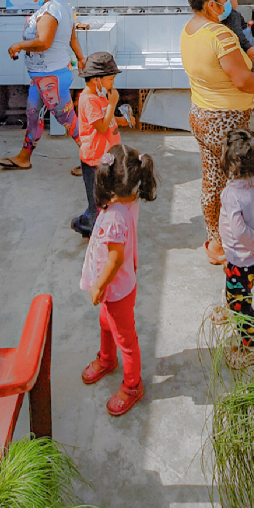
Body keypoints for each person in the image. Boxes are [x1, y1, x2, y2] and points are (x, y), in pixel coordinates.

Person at [181, 0, 254, 264]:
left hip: (201, 115)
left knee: (212, 180)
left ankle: (216, 241)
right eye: (226, 0)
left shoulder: (189, 30)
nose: (229, 5)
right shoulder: (220, 36)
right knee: (249, 184)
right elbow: (242, 80)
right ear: (212, 4)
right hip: (227, 121)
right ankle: (249, 241)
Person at [77, 144, 157, 417]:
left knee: (126, 338)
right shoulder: (128, 201)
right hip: (119, 286)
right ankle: (107, 359)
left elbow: (114, 259)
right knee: (106, 323)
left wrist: (99, 284)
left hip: (116, 287)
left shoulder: (114, 217)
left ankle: (132, 385)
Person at [0, 0, 85, 171]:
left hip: (51, 76)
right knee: (32, 114)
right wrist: (81, 58)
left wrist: (18, 45)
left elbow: (44, 42)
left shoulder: (52, 10)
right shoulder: (61, 6)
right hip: (43, 75)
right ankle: (24, 157)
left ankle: (95, 159)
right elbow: (72, 37)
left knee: (66, 117)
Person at [217, 130, 254, 360]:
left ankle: (251, 345)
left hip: (241, 260)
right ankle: (230, 298)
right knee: (240, 290)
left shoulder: (232, 193)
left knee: (241, 306)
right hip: (252, 259)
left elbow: (240, 231)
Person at [72, 53, 123, 238]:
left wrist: (122, 120)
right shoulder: (89, 100)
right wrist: (112, 104)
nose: (113, 83)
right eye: (110, 78)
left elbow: (107, 120)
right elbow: (101, 126)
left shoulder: (100, 96)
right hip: (94, 159)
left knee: (104, 198)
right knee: (97, 202)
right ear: (96, 79)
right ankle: (92, 232)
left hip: (106, 157)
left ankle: (87, 223)